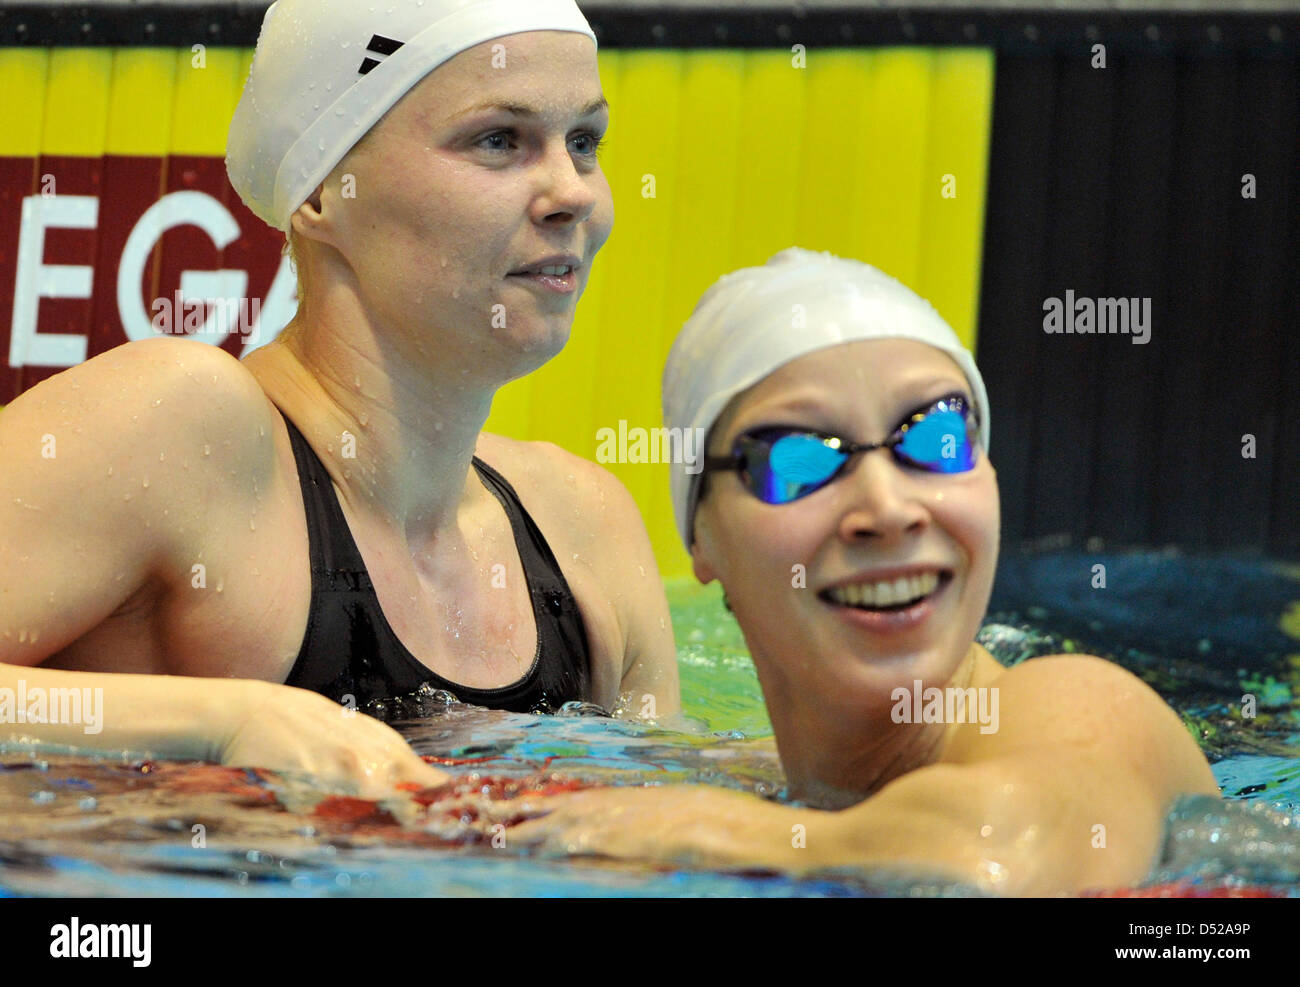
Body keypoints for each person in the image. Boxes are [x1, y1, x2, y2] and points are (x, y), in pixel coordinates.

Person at [0, 0, 678, 797]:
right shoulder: (187, 427)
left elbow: (660, 848)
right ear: (323, 192)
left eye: (584, 142)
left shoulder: (585, 527)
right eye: (499, 140)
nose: (574, 194)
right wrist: (218, 724)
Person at [506, 248, 1218, 895]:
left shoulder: (1082, 707)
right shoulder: (772, 782)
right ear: (703, 538)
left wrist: (729, 833)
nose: (888, 507)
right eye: (799, 460)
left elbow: (1015, 857)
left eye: (937, 438)